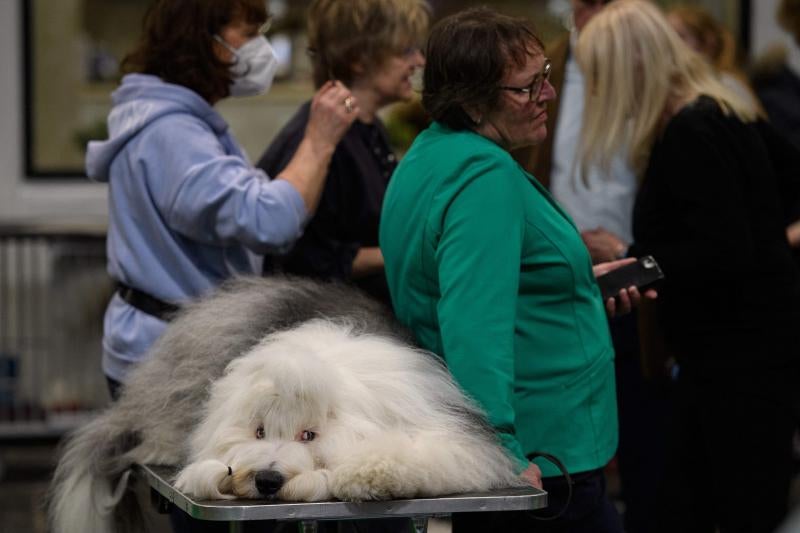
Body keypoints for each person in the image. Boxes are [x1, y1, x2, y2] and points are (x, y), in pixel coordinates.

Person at [380, 7, 653, 532]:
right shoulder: (485, 176)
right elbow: (472, 324)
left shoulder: (431, 153)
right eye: (527, 89)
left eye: (545, 78)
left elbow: (465, 283)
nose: (547, 96)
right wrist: (501, 448)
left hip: (531, 444)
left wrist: (576, 286)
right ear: (471, 102)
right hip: (542, 455)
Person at [576, 2, 800, 531]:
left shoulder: (692, 130)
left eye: (599, 78)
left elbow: (720, 251)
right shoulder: (723, 109)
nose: (598, 93)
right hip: (743, 360)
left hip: (735, 367)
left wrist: (631, 263)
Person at [86, 0, 357, 400]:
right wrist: (319, 141)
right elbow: (267, 220)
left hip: (179, 346)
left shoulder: (183, 123)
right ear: (202, 40)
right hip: (166, 363)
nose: (259, 49)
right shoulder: (172, 133)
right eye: (247, 35)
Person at [514, 2, 670, 531]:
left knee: (645, 431)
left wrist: (636, 251)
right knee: (575, 446)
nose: (596, 13)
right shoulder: (546, 67)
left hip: (639, 275)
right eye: (586, 4)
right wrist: (566, 245)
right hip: (561, 280)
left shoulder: (647, 65)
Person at [257, 0, 428, 307]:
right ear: (359, 59)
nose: (419, 61)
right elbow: (297, 263)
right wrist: (401, 252)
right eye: (406, 51)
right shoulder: (322, 139)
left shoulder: (368, 128)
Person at [667, 5, 762, 112]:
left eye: (680, 36)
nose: (671, 45)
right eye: (667, 37)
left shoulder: (725, 86)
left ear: (708, 42)